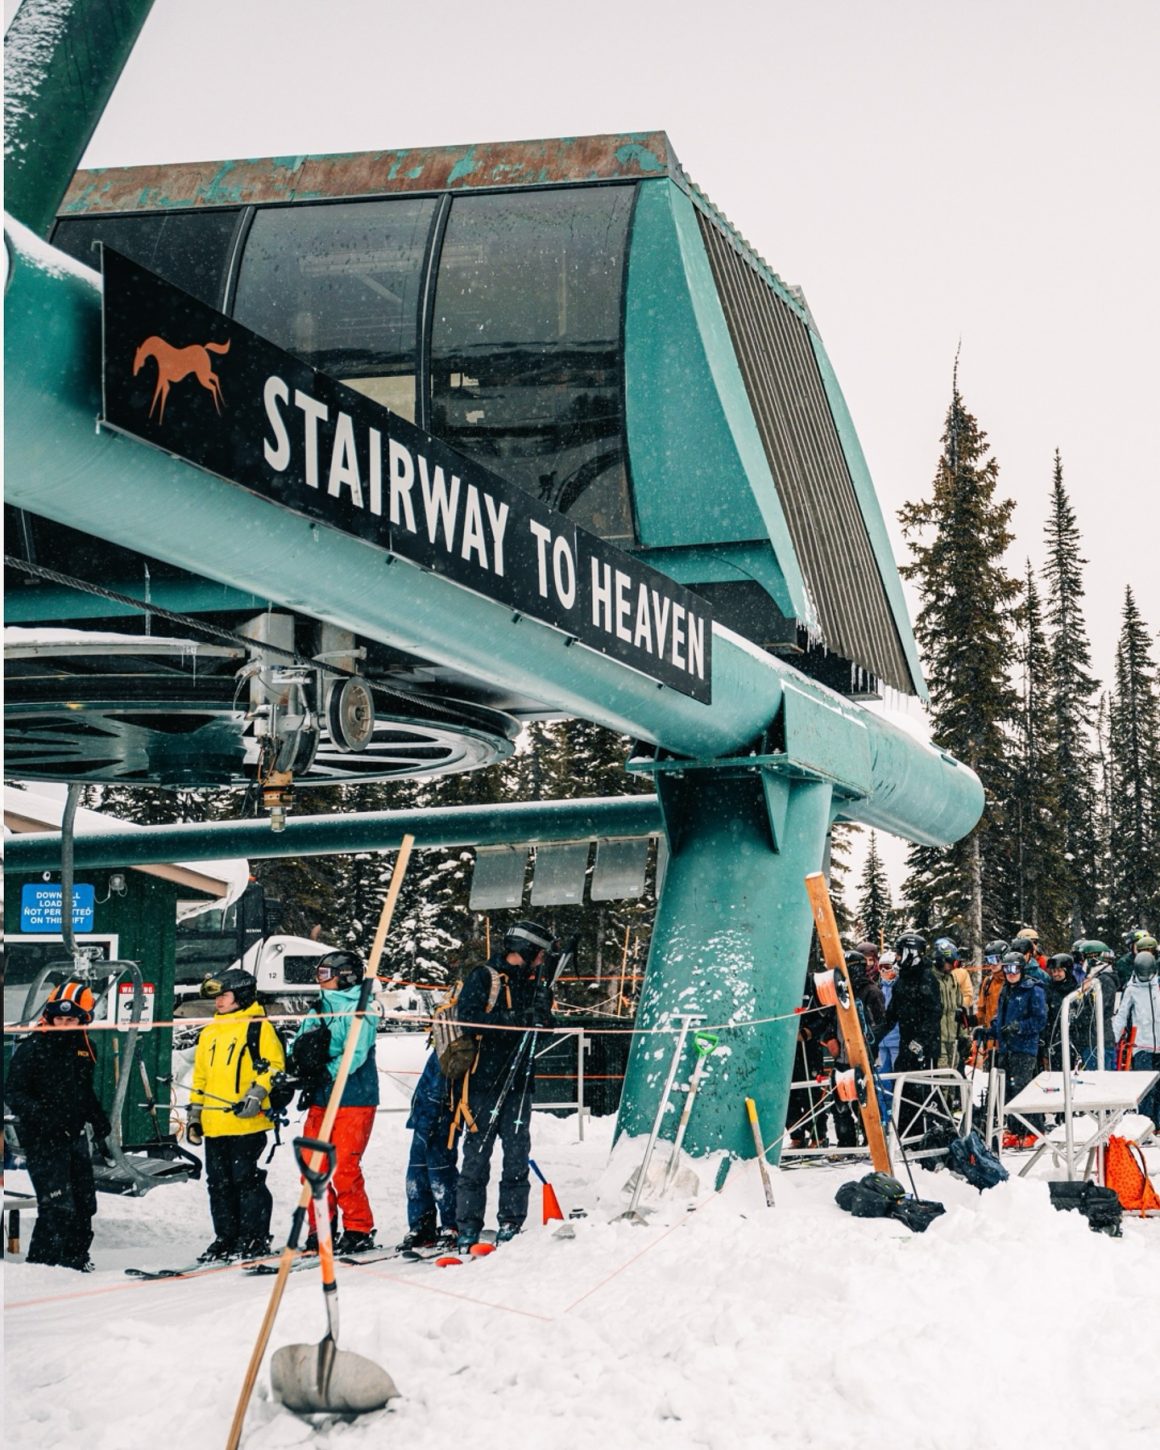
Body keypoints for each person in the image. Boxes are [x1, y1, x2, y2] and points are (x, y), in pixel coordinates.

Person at [454, 919, 555, 1251]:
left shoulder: (535, 983)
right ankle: (468, 1226)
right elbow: (468, 1019)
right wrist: (514, 1021)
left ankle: (511, 1221)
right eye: (539, 954)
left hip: (520, 1083)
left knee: (516, 1153)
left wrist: (543, 1017)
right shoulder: (484, 976)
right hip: (484, 1081)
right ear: (525, 949)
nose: (540, 961)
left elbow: (544, 1028)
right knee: (476, 1155)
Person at [6, 983, 111, 1271]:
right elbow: (13, 1093)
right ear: (50, 1018)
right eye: (59, 1019)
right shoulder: (32, 1048)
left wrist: (98, 1119)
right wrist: (45, 1118)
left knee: (84, 1202)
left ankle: (75, 1259)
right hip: (43, 1140)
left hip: (74, 1138)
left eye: (70, 1020)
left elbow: (83, 1091)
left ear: (82, 1020)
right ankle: (43, 1266)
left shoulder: (86, 1048)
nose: (64, 1025)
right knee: (56, 1204)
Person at [188, 967, 284, 1262]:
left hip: (246, 1123)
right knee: (218, 1184)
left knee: (246, 1181)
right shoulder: (209, 1032)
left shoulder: (257, 1027)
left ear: (241, 995)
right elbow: (201, 1077)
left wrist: (256, 1095)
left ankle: (254, 1237)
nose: (218, 1001)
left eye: (225, 995)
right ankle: (226, 1237)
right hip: (215, 1123)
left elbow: (274, 1066)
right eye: (217, 996)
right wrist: (195, 1115)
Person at [291, 949, 380, 1254]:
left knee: (343, 1166)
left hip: (354, 1098)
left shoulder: (362, 1009)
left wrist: (326, 1071)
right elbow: (300, 1041)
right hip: (321, 1098)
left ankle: (358, 1228)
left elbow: (356, 1053)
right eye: (318, 974)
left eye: (326, 974)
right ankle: (321, 1227)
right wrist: (297, 1067)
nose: (320, 980)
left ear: (345, 977)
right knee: (312, 1165)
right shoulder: (318, 1008)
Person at [974, 952, 1047, 1146]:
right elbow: (1001, 1018)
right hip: (1006, 1047)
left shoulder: (1032, 989)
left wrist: (1019, 1027)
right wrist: (989, 1031)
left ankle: (1033, 1129)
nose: (1011, 973)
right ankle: (1015, 1128)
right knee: (1006, 1090)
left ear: (1022, 970)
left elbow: (1040, 1020)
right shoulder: (1006, 989)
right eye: (1007, 969)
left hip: (1024, 1047)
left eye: (1015, 969)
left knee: (1022, 1088)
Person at [874, 933, 941, 1137]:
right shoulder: (902, 980)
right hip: (905, 1043)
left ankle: (925, 1133)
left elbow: (933, 1014)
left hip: (924, 1048)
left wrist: (920, 1041)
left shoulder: (926, 978)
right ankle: (906, 1135)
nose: (896, 957)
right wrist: (874, 1037)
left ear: (911, 953)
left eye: (899, 953)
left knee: (921, 1090)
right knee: (902, 1088)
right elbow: (891, 1015)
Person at [399, 1049, 459, 1251]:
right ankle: (421, 1225)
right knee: (416, 1175)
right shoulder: (440, 1046)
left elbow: (442, 1087)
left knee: (440, 1175)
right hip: (424, 1117)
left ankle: (451, 1224)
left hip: (439, 1120)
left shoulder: (452, 1045)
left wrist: (433, 1116)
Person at [1113, 951, 1160, 1124]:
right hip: (1141, 1045)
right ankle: (1146, 1122)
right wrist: (1114, 1037)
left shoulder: (1158, 986)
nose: (1145, 978)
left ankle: (1158, 1123)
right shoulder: (1131, 989)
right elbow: (1122, 1014)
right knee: (1146, 1087)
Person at [874, 950, 901, 1122]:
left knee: (897, 1078)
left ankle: (898, 1114)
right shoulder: (879, 988)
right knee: (883, 1079)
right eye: (881, 968)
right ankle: (886, 1115)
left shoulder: (899, 987)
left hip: (896, 1040)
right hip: (882, 1042)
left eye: (887, 967)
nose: (884, 972)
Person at [1042, 953, 1078, 1071]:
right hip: (1052, 1037)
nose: (1055, 974)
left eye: (1059, 971)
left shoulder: (1075, 989)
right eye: (1053, 971)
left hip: (1071, 1037)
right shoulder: (1048, 988)